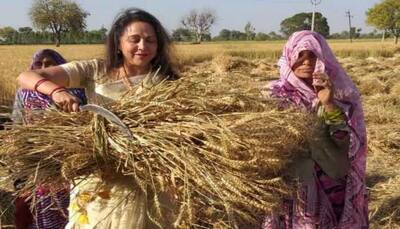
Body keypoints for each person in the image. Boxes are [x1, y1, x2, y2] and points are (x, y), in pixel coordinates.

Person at [17, 8, 178, 228]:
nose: (143, 46)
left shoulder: (168, 81)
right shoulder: (95, 70)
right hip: (99, 177)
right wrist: (56, 91)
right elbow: (26, 76)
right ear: (118, 42)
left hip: (146, 181)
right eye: (135, 39)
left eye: (150, 40)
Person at [261, 30, 368, 228]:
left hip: (331, 184)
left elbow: (347, 143)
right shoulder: (273, 96)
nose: (307, 62)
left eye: (313, 56)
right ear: (289, 56)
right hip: (292, 186)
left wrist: (328, 104)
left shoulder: (342, 95)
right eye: (300, 56)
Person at [12, 49, 87, 229]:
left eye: (49, 64)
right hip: (37, 162)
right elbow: (18, 125)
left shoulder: (77, 94)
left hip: (70, 162)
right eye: (39, 64)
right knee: (35, 208)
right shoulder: (24, 93)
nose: (43, 67)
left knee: (71, 211)